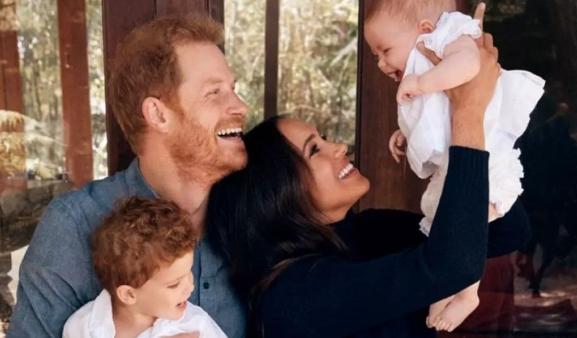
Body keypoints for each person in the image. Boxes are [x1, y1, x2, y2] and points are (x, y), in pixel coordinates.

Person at [206, 24, 530, 338]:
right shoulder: (295, 295)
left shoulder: (367, 232)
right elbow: (452, 265)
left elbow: (505, 231)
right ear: (278, 193)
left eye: (325, 137)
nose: (340, 148)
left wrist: (444, 130)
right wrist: (468, 112)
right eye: (315, 150)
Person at [8, 15, 247, 338]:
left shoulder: (250, 214)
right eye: (214, 92)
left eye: (233, 89)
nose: (241, 106)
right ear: (158, 114)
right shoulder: (74, 226)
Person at [363, 0, 544, 330]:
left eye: (385, 50)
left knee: (466, 226)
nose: (381, 63)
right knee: (443, 223)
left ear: (425, 31)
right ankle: (446, 288)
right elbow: (435, 117)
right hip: (458, 160)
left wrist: (420, 84)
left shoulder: (450, 36)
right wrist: (405, 134)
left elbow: (469, 66)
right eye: (376, 55)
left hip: (487, 159)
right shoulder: (425, 67)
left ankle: (467, 292)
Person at [62, 197, 227, 338]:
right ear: (129, 294)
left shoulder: (196, 324)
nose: (190, 287)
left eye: (189, 272)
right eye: (174, 284)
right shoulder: (83, 327)